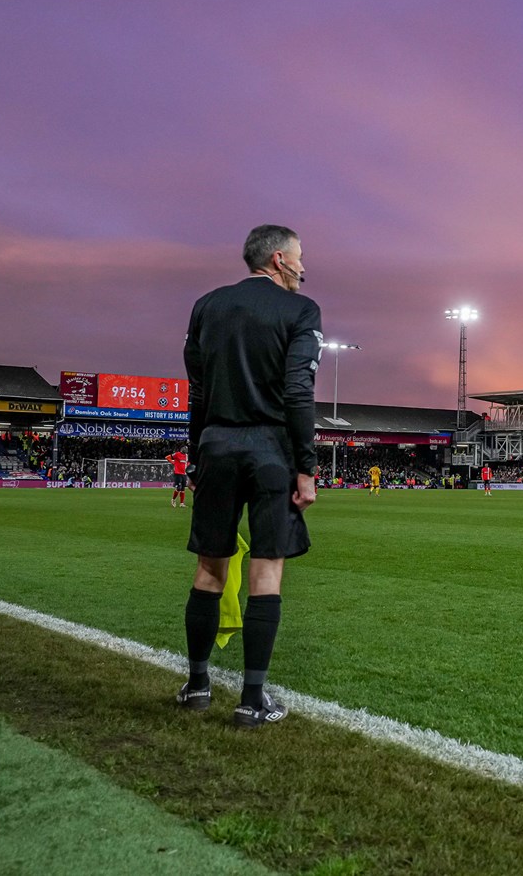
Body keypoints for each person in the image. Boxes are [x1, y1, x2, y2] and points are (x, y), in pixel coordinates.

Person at [176, 224, 321, 730]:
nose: (304, 266)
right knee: (265, 571)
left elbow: (196, 391)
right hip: (271, 451)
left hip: (216, 444)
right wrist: (306, 467)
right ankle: (252, 699)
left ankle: (197, 686)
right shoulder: (301, 311)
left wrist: (197, 457)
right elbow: (298, 392)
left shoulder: (206, 306)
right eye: (299, 257)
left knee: (209, 569)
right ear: (279, 259)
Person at [166, 443, 190, 508]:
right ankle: (173, 500)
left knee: (183, 489)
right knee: (178, 488)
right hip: (178, 473)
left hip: (184, 474)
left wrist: (188, 465)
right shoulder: (177, 454)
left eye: (187, 449)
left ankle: (181, 503)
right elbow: (167, 457)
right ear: (182, 449)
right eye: (185, 448)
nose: (186, 450)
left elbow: (188, 462)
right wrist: (173, 462)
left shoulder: (187, 456)